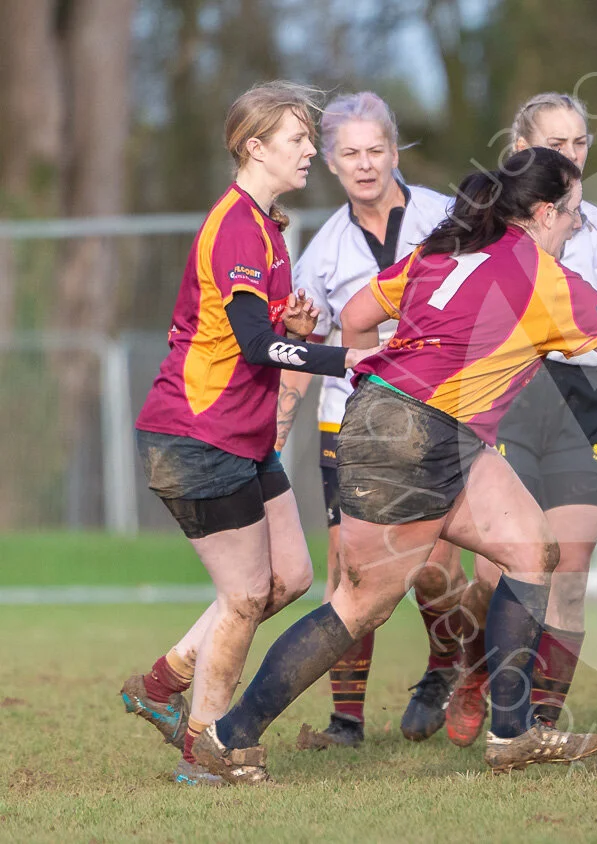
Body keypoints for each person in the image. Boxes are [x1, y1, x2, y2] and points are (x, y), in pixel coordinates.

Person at [194, 148, 597, 783]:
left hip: (403, 425)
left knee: (532, 550)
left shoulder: (441, 250)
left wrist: (382, 386)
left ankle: (511, 731)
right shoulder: (545, 279)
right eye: (574, 213)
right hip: (422, 434)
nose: (577, 226)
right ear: (544, 213)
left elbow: (358, 317)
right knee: (360, 605)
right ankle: (229, 737)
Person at [120, 81, 379, 785]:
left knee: (289, 578)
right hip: (196, 436)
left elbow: (264, 336)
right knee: (242, 596)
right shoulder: (236, 225)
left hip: (244, 436)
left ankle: (162, 684)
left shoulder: (268, 226)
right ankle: (205, 749)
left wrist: (298, 331)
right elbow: (255, 345)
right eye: (298, 139)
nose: (310, 151)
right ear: (254, 147)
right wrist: (342, 356)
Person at [440, 92, 597, 747]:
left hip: (583, 402)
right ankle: (474, 671)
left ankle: (537, 726)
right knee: (497, 572)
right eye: (555, 144)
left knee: (569, 570)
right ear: (521, 151)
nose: (572, 154)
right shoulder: (487, 229)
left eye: (580, 142)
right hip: (506, 394)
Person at [275, 91, 470, 749]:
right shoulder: (323, 251)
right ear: (331, 162)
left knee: (436, 568)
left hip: (438, 417)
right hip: (350, 426)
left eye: (375, 150)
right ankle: (346, 723)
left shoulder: (446, 219)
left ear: (395, 152)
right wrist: (279, 425)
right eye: (350, 153)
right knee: (349, 573)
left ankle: (444, 665)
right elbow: (306, 349)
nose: (364, 164)